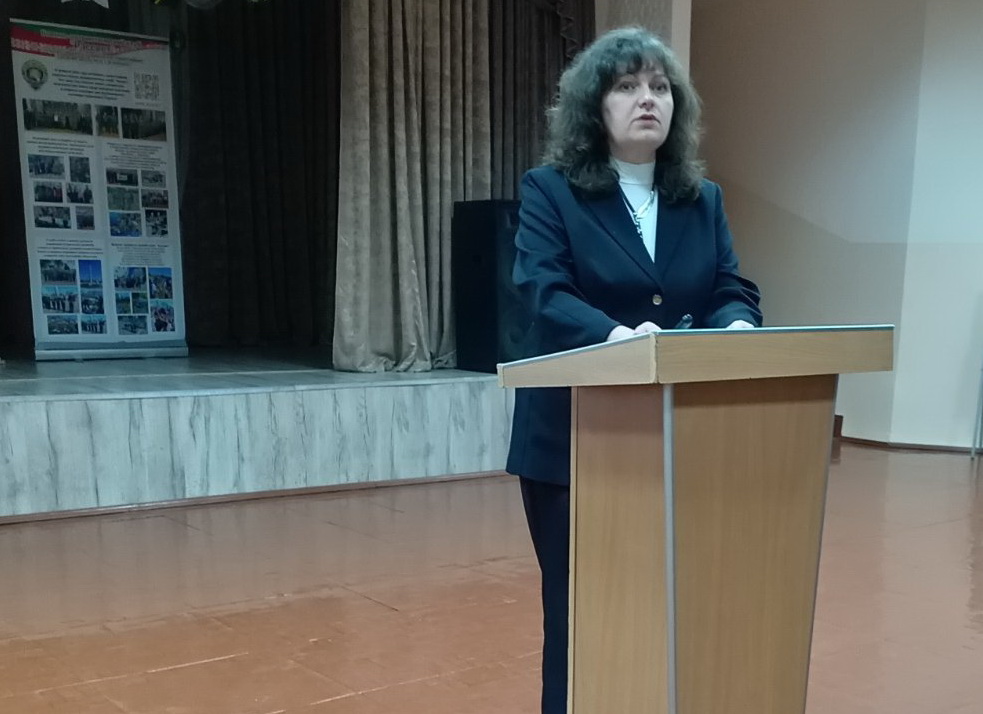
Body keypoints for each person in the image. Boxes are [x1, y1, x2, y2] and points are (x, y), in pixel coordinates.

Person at [505, 26, 763, 714]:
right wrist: (620, 338)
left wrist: (737, 328)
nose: (646, 98)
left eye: (658, 86)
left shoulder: (701, 200)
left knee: (667, 608)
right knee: (580, 613)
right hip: (572, 440)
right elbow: (543, 290)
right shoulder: (551, 191)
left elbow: (730, 288)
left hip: (679, 439)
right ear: (595, 105)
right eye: (626, 85)